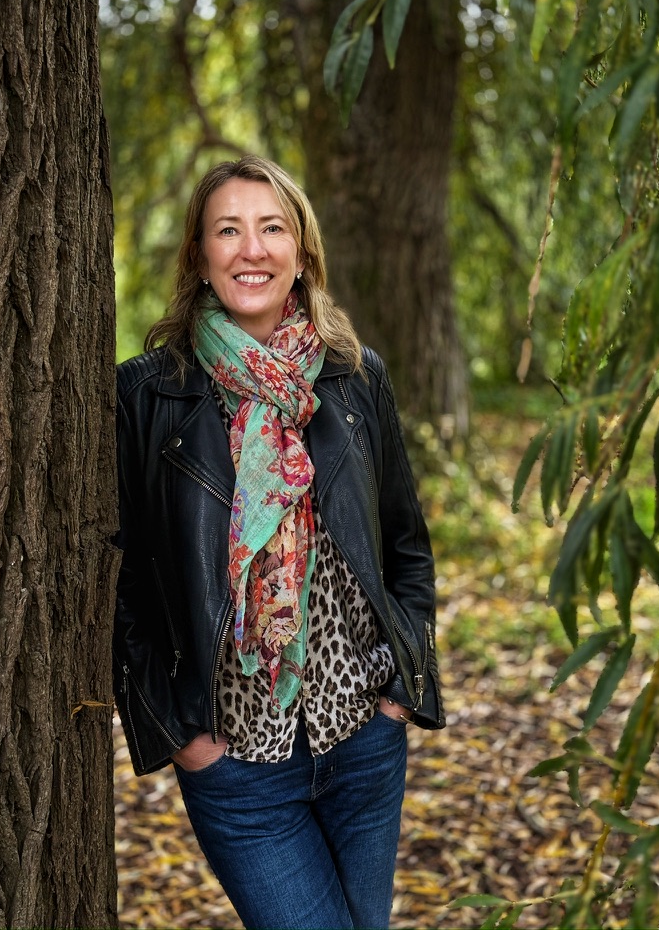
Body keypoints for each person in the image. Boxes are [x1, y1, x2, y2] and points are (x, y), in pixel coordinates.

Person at [113, 154, 444, 930]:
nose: (251, 249)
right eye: (227, 230)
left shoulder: (356, 378)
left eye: (271, 229)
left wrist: (400, 692)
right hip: (236, 763)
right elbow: (125, 585)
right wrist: (182, 735)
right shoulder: (148, 394)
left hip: (363, 739)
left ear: (302, 254)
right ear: (199, 256)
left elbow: (407, 546)